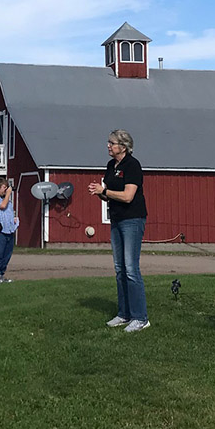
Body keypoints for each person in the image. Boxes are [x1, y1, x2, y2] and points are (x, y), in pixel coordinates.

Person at [87, 129, 150, 333]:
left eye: (112, 143)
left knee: (131, 269)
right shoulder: (110, 166)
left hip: (132, 219)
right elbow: (110, 195)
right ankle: (124, 313)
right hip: (116, 219)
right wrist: (100, 193)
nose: (108, 145)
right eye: (108, 142)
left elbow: (128, 196)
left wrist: (104, 191)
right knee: (120, 269)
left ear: (122, 147)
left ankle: (141, 318)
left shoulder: (132, 165)